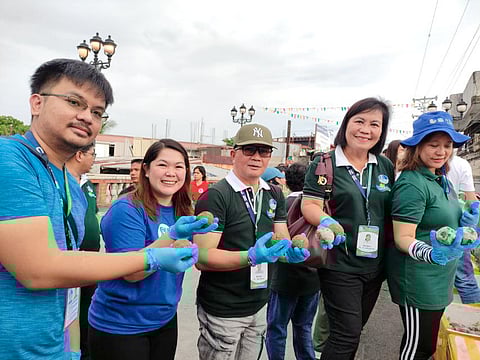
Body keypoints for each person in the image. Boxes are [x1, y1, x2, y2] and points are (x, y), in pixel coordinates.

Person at [0, 58, 201, 359]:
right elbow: (38, 270)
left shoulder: (70, 184)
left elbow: (65, 281)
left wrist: (70, 346)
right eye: (74, 102)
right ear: (36, 102)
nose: (86, 117)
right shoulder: (10, 159)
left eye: (97, 112)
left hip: (52, 346)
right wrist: (149, 258)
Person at [88, 139, 217, 360]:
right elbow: (131, 272)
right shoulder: (126, 209)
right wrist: (173, 235)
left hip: (164, 319)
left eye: (179, 166)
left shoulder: (183, 210)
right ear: (146, 170)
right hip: (122, 324)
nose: (171, 173)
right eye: (162, 165)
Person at [193, 123, 310, 359]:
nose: (257, 157)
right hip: (223, 308)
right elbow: (202, 258)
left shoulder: (274, 193)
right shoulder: (216, 196)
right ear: (234, 154)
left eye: (264, 151)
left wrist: (289, 252)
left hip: (259, 303)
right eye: (249, 150)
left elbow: (281, 238)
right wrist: (250, 256)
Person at [301, 97, 394, 360]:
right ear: (347, 124)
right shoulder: (325, 163)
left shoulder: (384, 165)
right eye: (360, 121)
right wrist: (327, 221)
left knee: (353, 331)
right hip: (339, 264)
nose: (366, 129)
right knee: (346, 334)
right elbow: (310, 205)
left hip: (375, 267)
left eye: (375, 124)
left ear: (382, 131)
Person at [387, 111, 480, 359]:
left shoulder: (441, 179)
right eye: (433, 145)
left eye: (447, 145)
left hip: (440, 277)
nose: (441, 151)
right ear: (417, 146)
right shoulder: (411, 183)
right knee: (418, 348)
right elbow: (402, 237)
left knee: (427, 344)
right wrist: (432, 252)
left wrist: (467, 222)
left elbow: (444, 220)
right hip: (419, 280)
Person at [266, 161, 320, 360]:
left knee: (276, 328)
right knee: (304, 327)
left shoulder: (282, 204)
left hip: (284, 277)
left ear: (287, 182)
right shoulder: (318, 209)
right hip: (313, 277)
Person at [66, 142, 101, 360]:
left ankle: (87, 351)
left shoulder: (88, 185)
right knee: (70, 311)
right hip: (70, 260)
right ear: (79, 154)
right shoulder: (61, 181)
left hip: (91, 258)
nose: (94, 158)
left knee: (88, 305)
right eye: (92, 154)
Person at [448, 154, 480, 304]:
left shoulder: (416, 162)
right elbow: (471, 200)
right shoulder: (461, 164)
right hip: (458, 228)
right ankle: (472, 323)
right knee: (465, 279)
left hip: (430, 230)